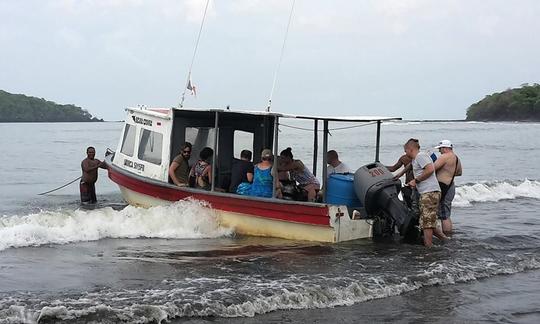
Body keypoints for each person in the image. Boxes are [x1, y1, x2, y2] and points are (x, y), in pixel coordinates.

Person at [404, 138, 448, 247]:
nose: (405, 153)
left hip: (430, 192)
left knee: (427, 222)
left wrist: (416, 180)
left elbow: (430, 169)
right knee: (426, 219)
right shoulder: (415, 159)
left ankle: (429, 247)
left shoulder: (420, 156)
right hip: (426, 192)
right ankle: (445, 240)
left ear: (410, 149)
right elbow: (410, 167)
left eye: (405, 151)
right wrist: (399, 175)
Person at [433, 140, 462, 235]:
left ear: (445, 148)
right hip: (451, 186)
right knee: (446, 212)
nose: (439, 151)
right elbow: (459, 172)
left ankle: (447, 234)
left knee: (444, 214)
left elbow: (432, 168)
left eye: (440, 149)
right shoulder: (456, 158)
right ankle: (447, 233)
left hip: (443, 187)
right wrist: (447, 172)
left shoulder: (444, 157)